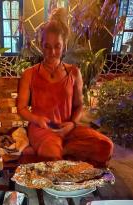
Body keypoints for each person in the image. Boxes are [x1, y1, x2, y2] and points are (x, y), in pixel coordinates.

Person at [17, 8, 113, 167]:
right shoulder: (29, 74)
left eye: (57, 46)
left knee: (105, 146)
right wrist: (37, 119)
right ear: (41, 45)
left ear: (64, 45)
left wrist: (72, 124)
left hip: (68, 129)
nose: (52, 52)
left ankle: (60, 152)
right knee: (54, 160)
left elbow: (79, 105)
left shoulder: (74, 72)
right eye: (47, 46)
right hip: (42, 130)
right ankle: (55, 154)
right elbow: (21, 108)